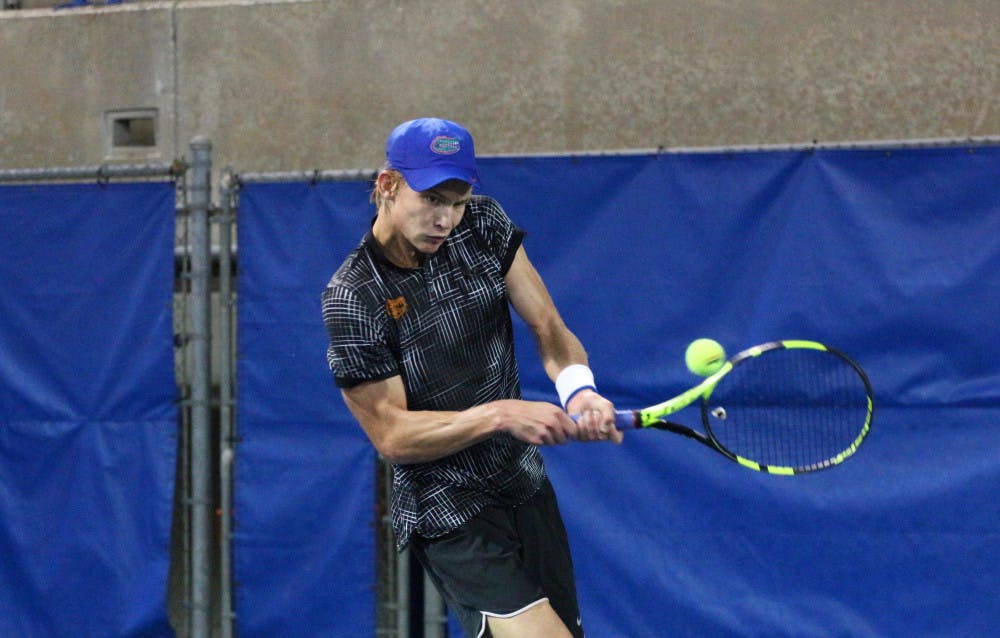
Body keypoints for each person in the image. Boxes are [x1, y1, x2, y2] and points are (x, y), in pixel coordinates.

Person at [321, 117, 622, 638]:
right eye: (433, 199)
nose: (446, 218)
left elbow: (548, 325)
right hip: (448, 507)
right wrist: (501, 414)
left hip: (524, 487)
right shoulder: (353, 296)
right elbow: (392, 434)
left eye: (457, 201)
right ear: (388, 185)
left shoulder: (482, 226)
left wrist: (580, 389)